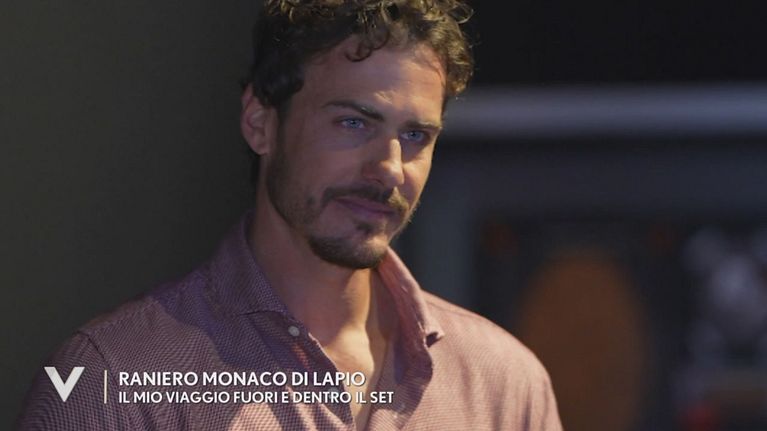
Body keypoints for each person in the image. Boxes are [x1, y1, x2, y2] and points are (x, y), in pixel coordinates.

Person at [18, 1, 561, 429]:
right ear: (260, 123)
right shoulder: (109, 382)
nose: (390, 169)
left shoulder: (504, 384)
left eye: (415, 135)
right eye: (354, 123)